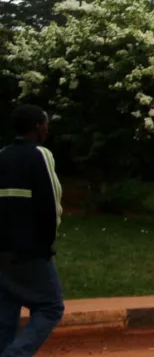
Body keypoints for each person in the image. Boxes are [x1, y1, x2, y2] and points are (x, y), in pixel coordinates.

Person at [0, 104, 65, 356]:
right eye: (46, 123)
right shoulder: (41, 155)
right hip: (29, 251)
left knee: (6, 316)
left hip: (2, 252)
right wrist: (45, 245)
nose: (47, 128)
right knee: (51, 307)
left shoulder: (2, 154)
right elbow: (51, 202)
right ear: (39, 126)